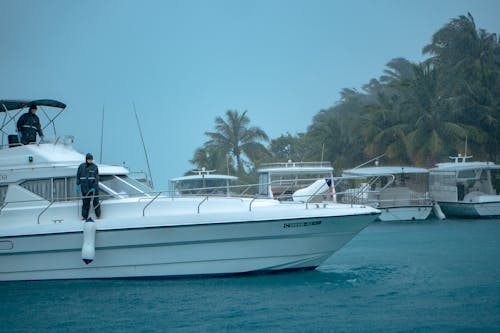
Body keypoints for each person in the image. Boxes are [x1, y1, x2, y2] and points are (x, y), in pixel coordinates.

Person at [77, 153, 101, 220]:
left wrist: (94, 187)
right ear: (86, 159)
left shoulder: (95, 167)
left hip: (93, 188)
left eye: (91, 159)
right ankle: (84, 216)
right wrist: (77, 184)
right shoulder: (81, 166)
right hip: (84, 188)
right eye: (89, 159)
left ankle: (98, 215)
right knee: (85, 203)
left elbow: (96, 178)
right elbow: (78, 176)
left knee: (96, 202)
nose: (90, 160)